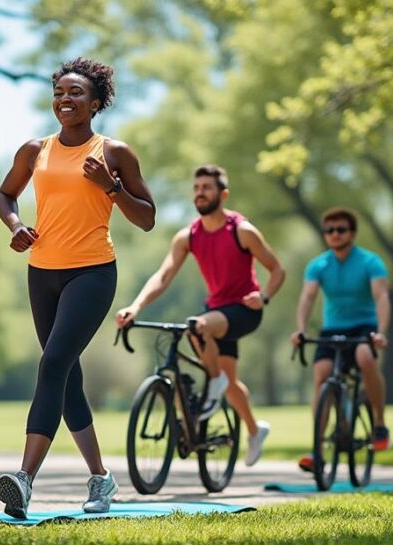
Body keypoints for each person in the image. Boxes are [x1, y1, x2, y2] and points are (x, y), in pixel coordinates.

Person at [0, 57, 156, 519]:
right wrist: (16, 224)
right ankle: (102, 479)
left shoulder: (115, 152)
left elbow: (146, 218)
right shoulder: (34, 149)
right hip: (42, 271)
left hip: (93, 272)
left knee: (53, 363)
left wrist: (111, 187)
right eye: (60, 92)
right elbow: (5, 194)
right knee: (66, 379)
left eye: (76, 93)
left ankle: (23, 481)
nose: (65, 100)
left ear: (97, 102)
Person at [116, 165, 285, 467]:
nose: (200, 193)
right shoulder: (188, 236)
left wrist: (264, 297)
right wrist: (135, 306)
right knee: (230, 381)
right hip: (217, 311)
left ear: (223, 194)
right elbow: (164, 275)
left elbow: (277, 270)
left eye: (207, 187)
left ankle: (214, 383)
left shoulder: (242, 231)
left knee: (197, 328)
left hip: (245, 310)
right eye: (196, 188)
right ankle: (254, 429)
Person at [291, 207, 392, 472]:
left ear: (352, 233)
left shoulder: (370, 262)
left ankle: (379, 424)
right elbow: (307, 298)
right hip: (332, 329)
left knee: (365, 356)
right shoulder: (319, 265)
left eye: (341, 229)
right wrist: (300, 329)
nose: (335, 234)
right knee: (322, 373)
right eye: (330, 230)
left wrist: (380, 331)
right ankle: (318, 449)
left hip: (363, 326)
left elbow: (381, 296)